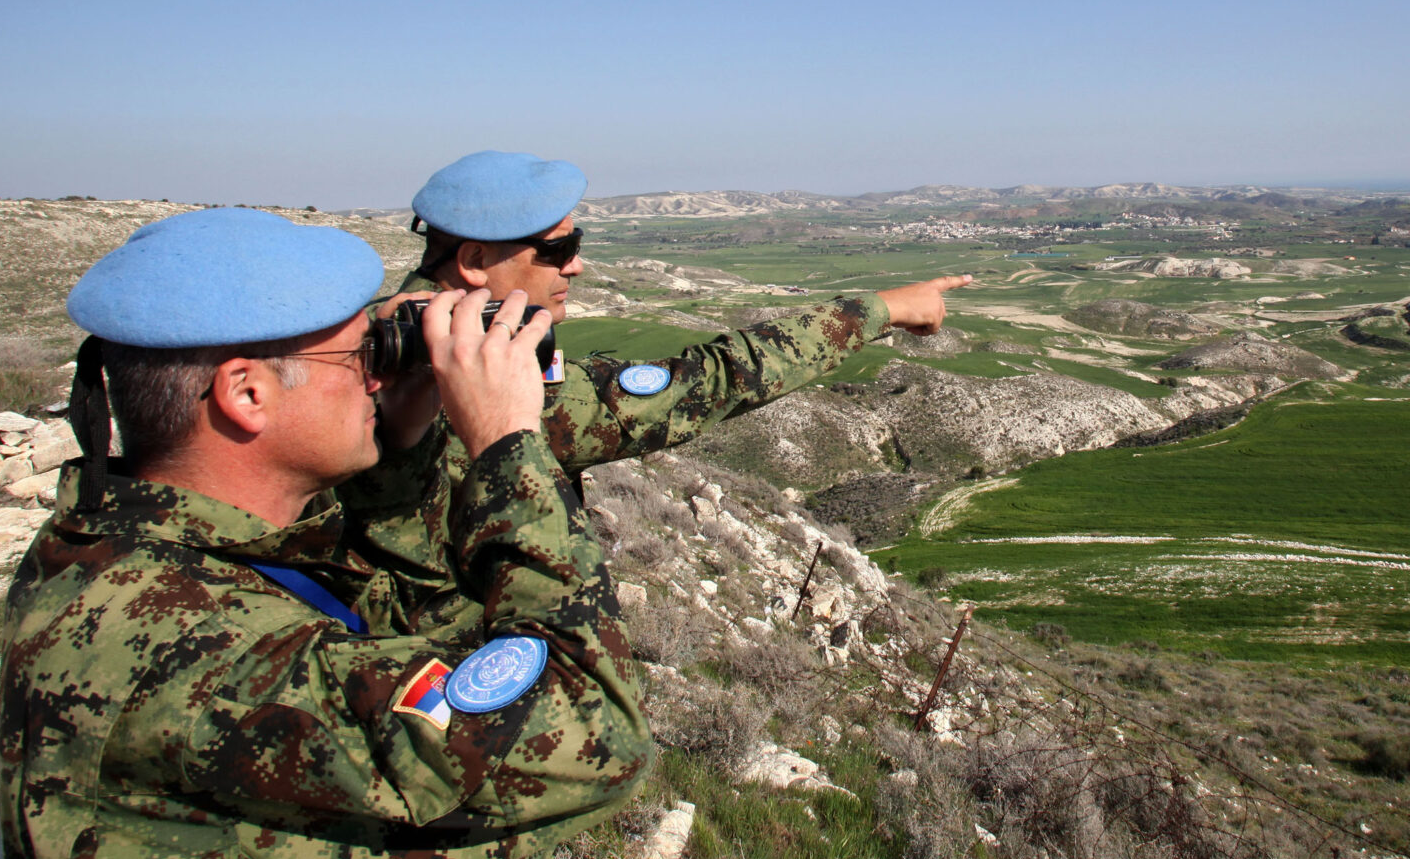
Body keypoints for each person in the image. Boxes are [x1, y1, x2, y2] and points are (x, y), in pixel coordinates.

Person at [0, 207, 652, 859]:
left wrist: (403, 441)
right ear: (246, 393)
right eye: (357, 356)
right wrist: (507, 446)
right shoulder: (201, 652)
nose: (378, 372)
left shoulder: (139, 552)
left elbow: (415, 625)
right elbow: (596, 726)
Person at [346, 149, 970, 630]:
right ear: (476, 260)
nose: (577, 266)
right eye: (558, 248)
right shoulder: (459, 368)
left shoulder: (381, 332)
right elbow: (711, 382)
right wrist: (879, 310)